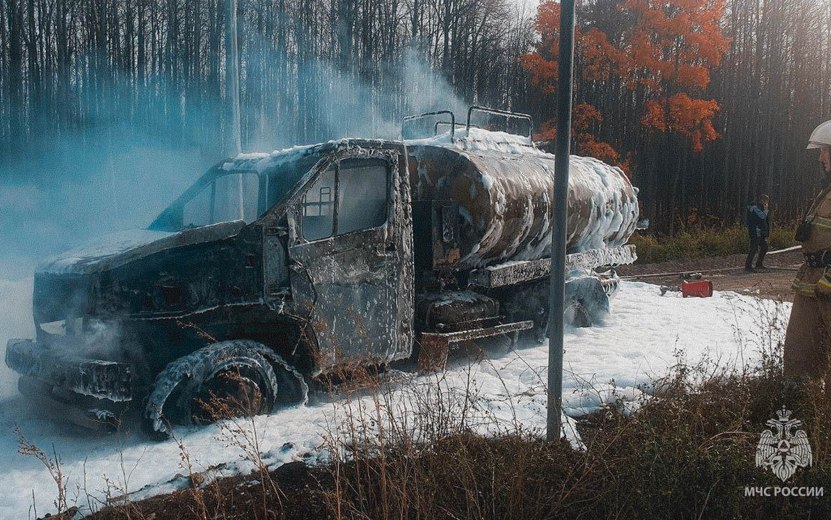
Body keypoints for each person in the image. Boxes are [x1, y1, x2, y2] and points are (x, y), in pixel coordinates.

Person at [783, 119, 831, 378]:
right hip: (812, 282)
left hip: (827, 281)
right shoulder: (826, 192)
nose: (821, 157)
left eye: (825, 150)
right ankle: (799, 411)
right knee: (799, 357)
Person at [745, 194, 770, 272]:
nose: (767, 203)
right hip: (755, 231)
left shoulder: (760, 207)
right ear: (762, 200)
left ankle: (759, 264)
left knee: (764, 247)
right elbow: (762, 217)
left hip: (761, 232)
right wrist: (766, 209)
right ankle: (748, 266)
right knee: (754, 248)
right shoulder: (755, 208)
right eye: (766, 201)